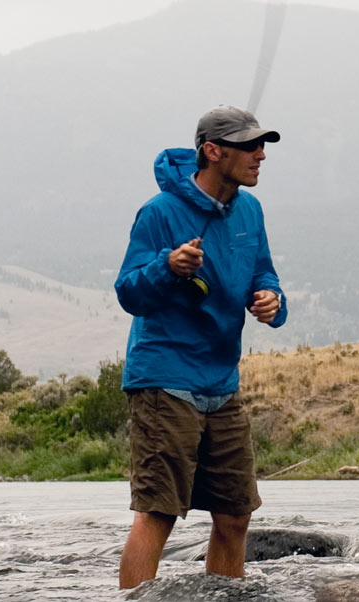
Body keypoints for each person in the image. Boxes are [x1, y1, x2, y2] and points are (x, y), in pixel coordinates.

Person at [113, 105, 288, 588]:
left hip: (221, 384)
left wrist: (273, 300)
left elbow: (264, 272)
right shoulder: (160, 212)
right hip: (165, 379)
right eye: (250, 146)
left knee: (235, 516)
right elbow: (129, 292)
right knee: (159, 513)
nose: (261, 155)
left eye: (263, 145)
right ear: (212, 151)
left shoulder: (250, 210)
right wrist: (168, 267)